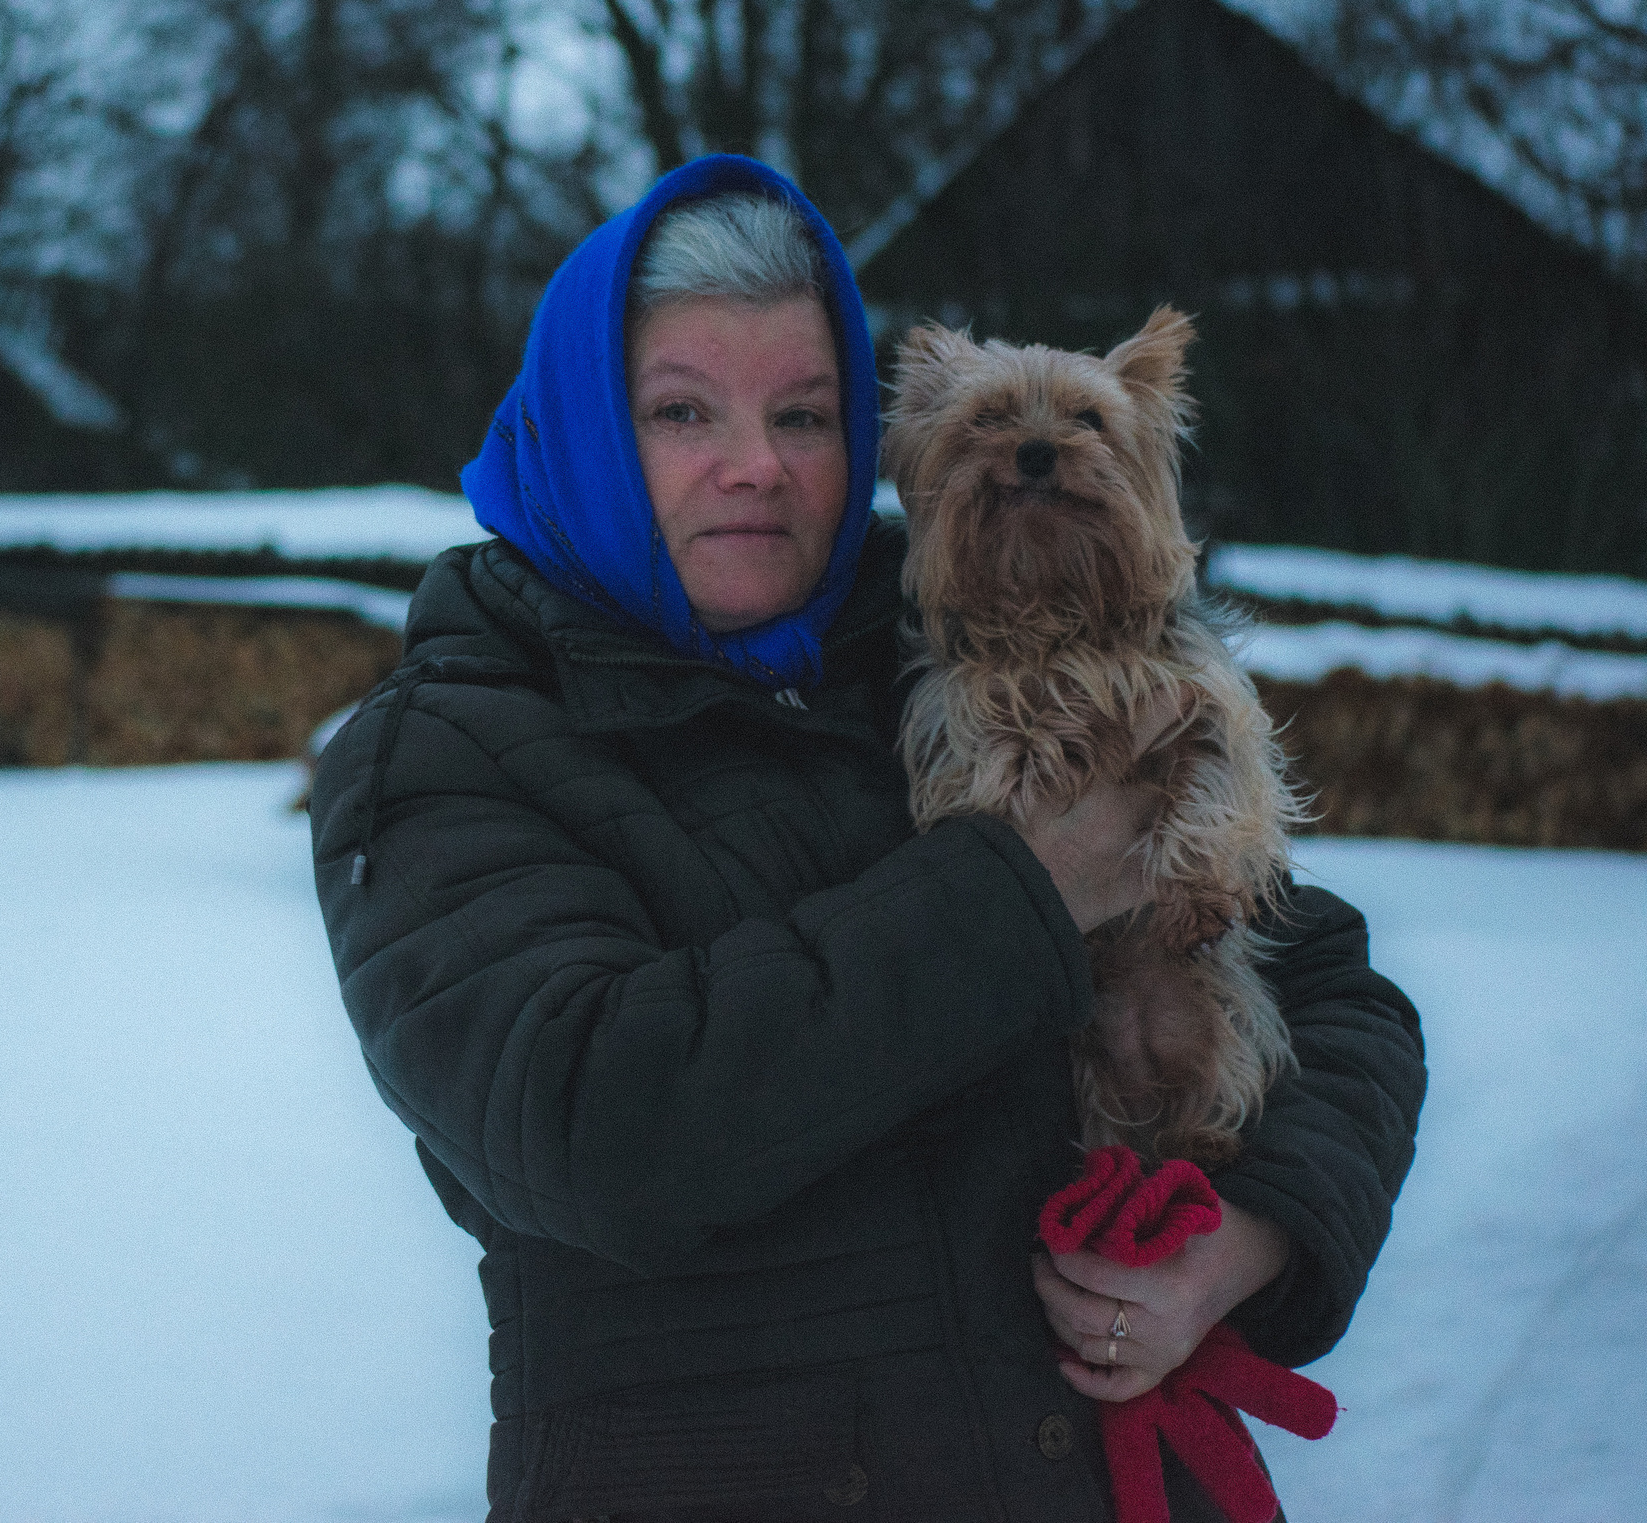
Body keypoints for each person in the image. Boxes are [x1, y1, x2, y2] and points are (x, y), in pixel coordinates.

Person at [309, 154, 1425, 1523]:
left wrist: (1247, 1242)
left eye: (805, 413)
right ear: (580, 428)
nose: (755, 468)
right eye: (678, 412)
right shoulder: (451, 750)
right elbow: (599, 1129)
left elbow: (1333, 990)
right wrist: (1022, 890)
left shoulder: (976, 648)